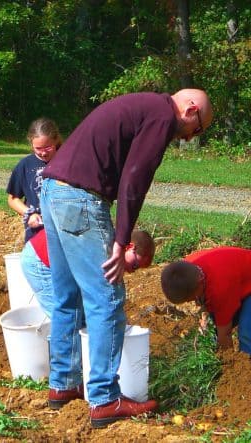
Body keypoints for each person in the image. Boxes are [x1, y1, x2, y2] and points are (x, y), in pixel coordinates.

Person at [39, 89, 212, 428]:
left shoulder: (143, 105)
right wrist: (122, 240)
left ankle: (64, 383)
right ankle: (104, 398)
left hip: (53, 190)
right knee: (107, 296)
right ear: (191, 110)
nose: (192, 137)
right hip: (79, 199)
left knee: (68, 295)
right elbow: (135, 178)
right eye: (199, 129)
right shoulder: (163, 116)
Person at [22, 229, 155, 317]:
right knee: (64, 318)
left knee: (79, 317)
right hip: (41, 260)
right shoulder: (106, 250)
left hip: (57, 264)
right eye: (135, 265)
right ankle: (57, 358)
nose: (131, 271)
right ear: (130, 247)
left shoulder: (112, 249)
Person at [161, 247, 251, 357]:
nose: (193, 302)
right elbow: (205, 301)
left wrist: (226, 361)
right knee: (213, 328)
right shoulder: (188, 268)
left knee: (246, 331)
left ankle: (246, 367)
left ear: (200, 283)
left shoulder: (220, 289)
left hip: (243, 283)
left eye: (192, 298)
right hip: (238, 282)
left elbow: (225, 335)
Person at [7, 118, 62, 243]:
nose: (43, 153)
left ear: (56, 140)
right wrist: (29, 213)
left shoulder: (67, 161)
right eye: (38, 148)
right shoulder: (25, 165)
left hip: (65, 231)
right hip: (36, 233)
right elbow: (13, 199)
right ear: (31, 143)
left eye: (48, 147)